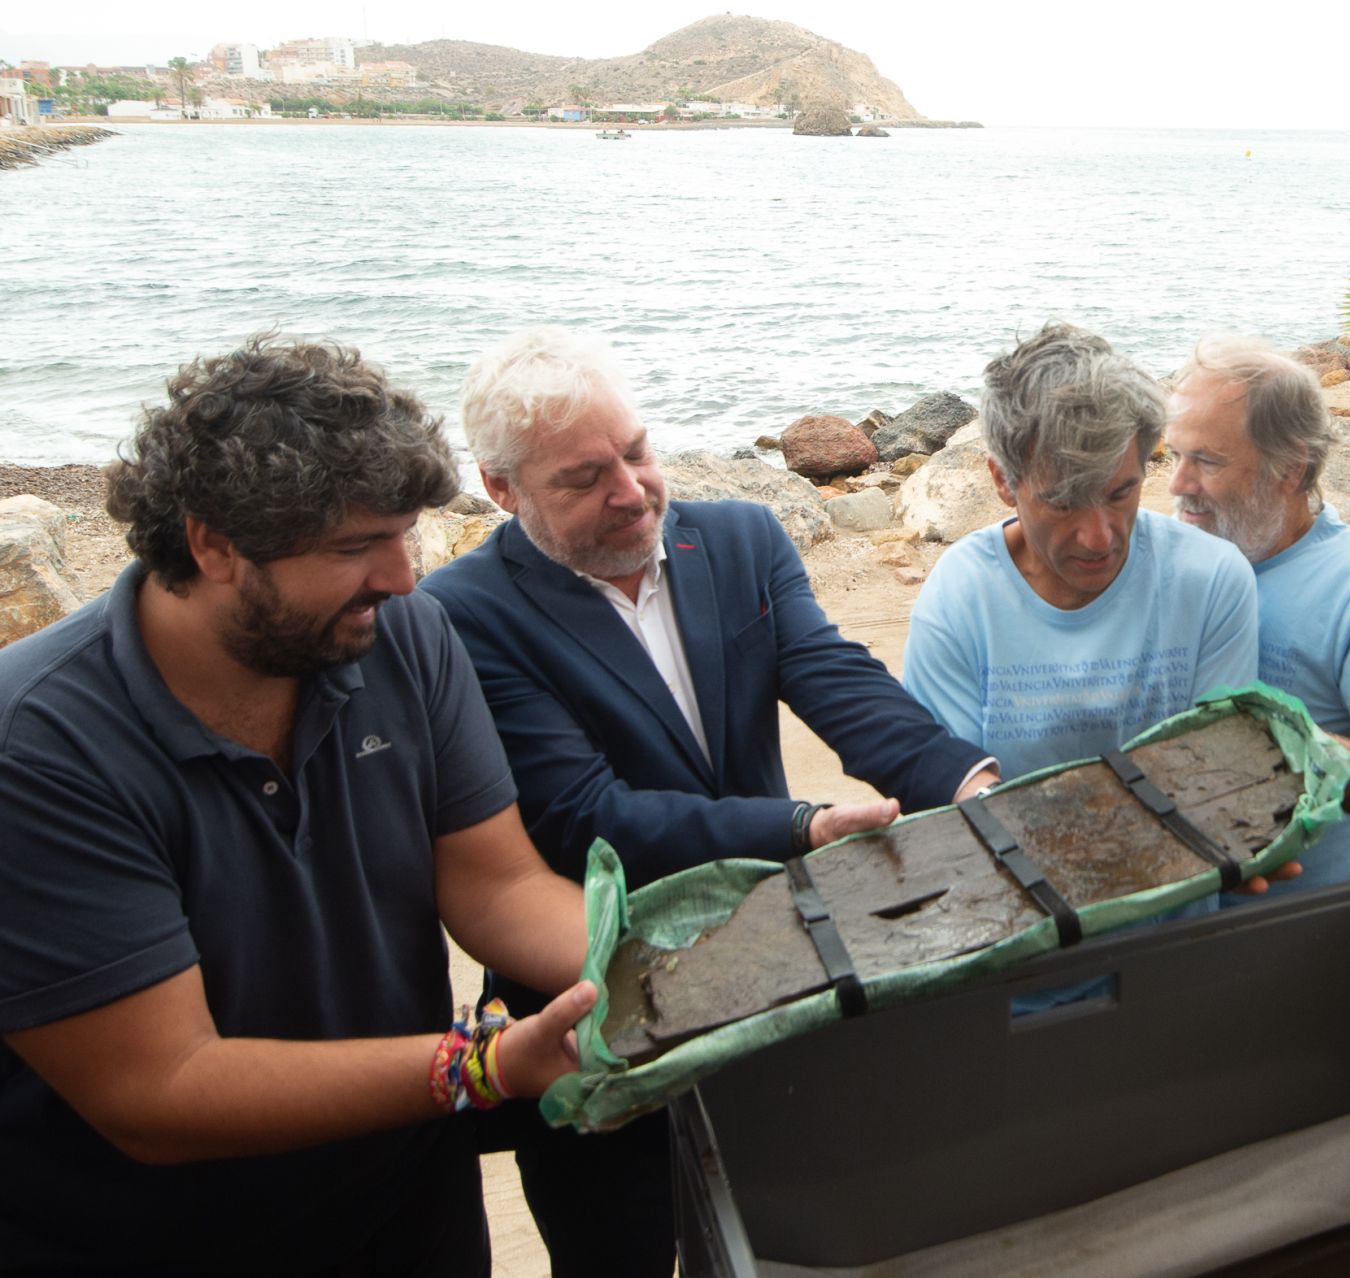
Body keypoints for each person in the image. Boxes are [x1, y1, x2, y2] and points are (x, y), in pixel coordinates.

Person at [0, 336, 594, 1276]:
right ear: (213, 544)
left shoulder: (402, 635)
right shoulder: (38, 743)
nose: (402, 577)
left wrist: (656, 971)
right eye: (356, 547)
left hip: (406, 1209)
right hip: (144, 1242)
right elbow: (162, 1087)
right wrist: (478, 1068)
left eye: (403, 536)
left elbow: (498, 882)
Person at [420, 327, 996, 1276]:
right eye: (582, 478)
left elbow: (837, 683)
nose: (630, 490)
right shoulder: (460, 615)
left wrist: (969, 784)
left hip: (773, 971)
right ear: (500, 489)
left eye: (637, 452)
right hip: (593, 1009)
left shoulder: (740, 537)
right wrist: (798, 828)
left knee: (786, 1240)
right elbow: (584, 813)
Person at [902, 320, 1259, 809]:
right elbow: (945, 803)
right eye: (1065, 501)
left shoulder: (1211, 581)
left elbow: (1222, 784)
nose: (1099, 537)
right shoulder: (960, 600)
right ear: (1004, 480)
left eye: (1121, 493)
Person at [1165, 335, 1350, 894]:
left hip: (1284, 931)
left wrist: (1284, 740)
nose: (1177, 485)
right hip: (1166, 919)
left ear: (1289, 470)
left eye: (1207, 462)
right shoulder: (1174, 551)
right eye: (1174, 455)